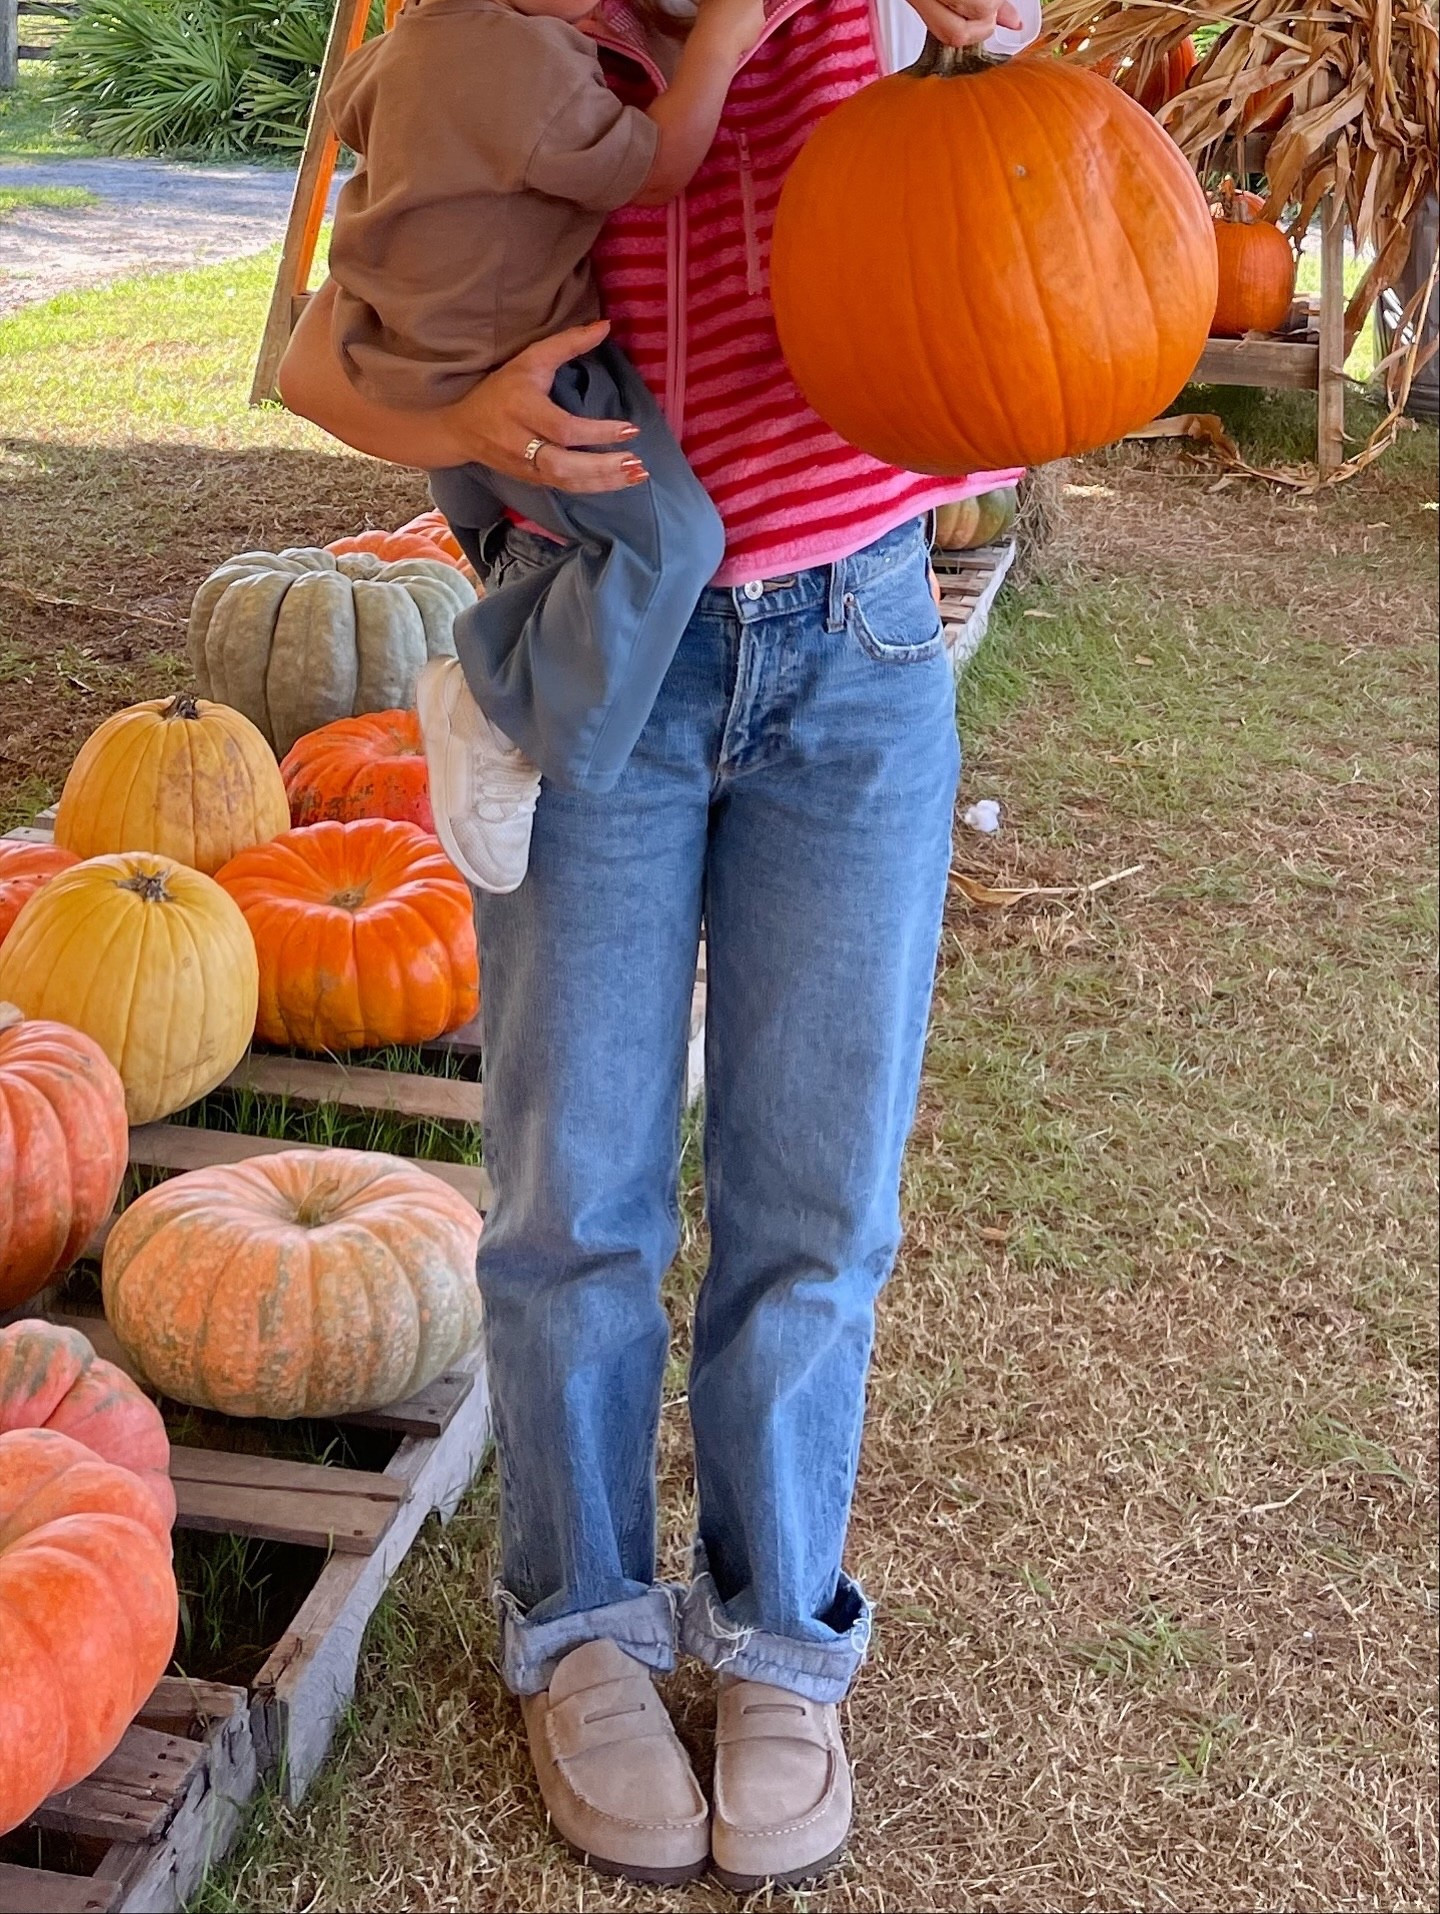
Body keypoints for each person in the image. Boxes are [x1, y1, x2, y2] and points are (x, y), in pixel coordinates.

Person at [282, 0, 1022, 1888]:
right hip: (600, 642)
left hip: (857, 648)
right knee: (574, 1190)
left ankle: (779, 1638)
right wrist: (457, 425)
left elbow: (1023, 163)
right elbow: (315, 354)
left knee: (818, 1195)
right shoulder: (503, 30)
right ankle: (584, 1624)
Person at [325, 0, 768, 893]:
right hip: (533, 388)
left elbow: (352, 115)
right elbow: (660, 166)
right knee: (676, 540)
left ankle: (510, 611)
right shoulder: (527, 64)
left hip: (415, 372)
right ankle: (502, 709)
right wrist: (720, 42)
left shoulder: (398, 51)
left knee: (511, 538)